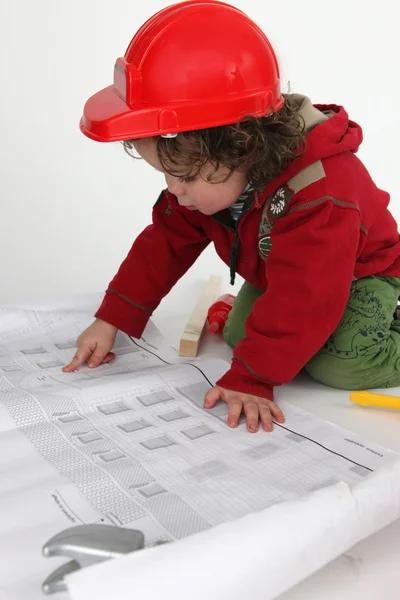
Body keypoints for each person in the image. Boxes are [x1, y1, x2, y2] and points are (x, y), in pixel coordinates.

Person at [63, 0, 400, 433]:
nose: (174, 190)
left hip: (358, 276)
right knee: (245, 337)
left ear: (242, 146)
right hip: (286, 275)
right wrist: (114, 317)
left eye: (183, 175)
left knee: (342, 364)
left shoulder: (321, 193)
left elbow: (308, 294)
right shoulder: (208, 184)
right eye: (165, 174)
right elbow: (164, 245)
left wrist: (253, 378)